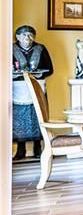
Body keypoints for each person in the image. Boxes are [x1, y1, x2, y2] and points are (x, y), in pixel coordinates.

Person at [12, 25, 53, 160]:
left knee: (38, 116)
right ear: (17, 37)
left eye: (30, 35)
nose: (27, 38)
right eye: (24, 35)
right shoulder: (11, 49)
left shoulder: (40, 48)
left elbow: (50, 69)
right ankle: (21, 148)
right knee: (19, 119)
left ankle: (38, 147)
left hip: (37, 86)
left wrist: (39, 72)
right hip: (18, 89)